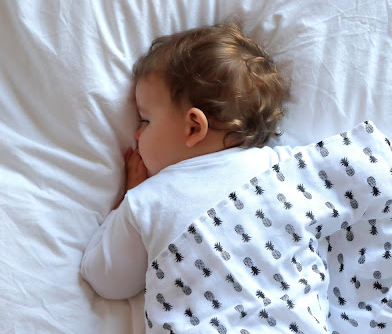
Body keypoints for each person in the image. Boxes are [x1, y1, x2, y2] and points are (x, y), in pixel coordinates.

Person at [80, 22, 294, 299]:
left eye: (145, 120)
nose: (136, 134)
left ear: (193, 128)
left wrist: (128, 198)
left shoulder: (148, 201)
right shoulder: (286, 166)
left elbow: (106, 280)